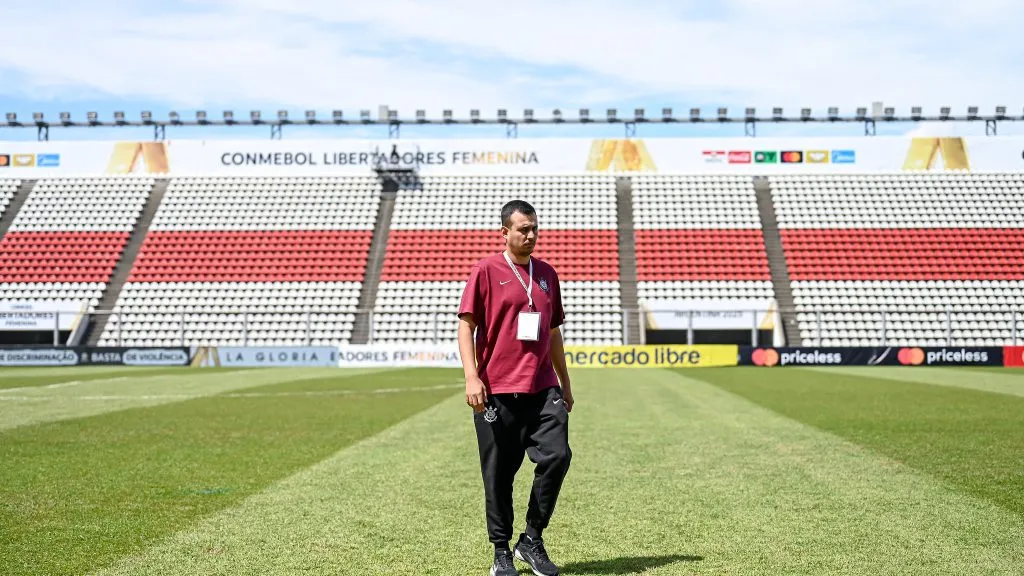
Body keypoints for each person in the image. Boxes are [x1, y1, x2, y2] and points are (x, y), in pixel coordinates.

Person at [457, 199, 574, 576]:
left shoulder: (547, 274)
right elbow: (466, 325)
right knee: (499, 474)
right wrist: (472, 376)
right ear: (504, 232)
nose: (531, 235)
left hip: (542, 388)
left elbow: (552, 332)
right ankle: (501, 551)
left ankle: (531, 539)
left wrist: (565, 382)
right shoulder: (486, 270)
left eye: (535, 228)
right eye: (524, 229)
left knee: (557, 456)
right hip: (497, 390)